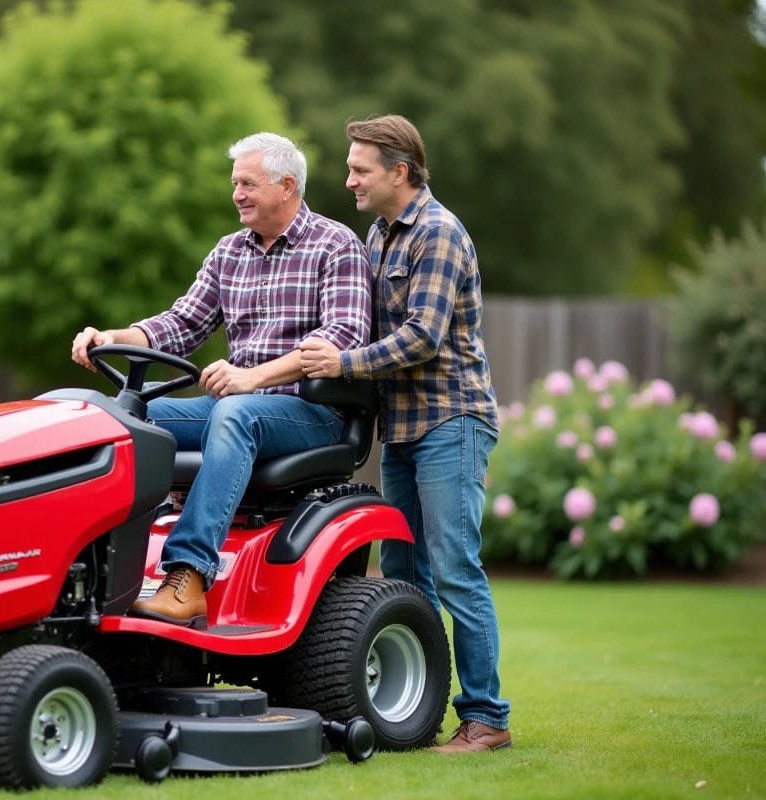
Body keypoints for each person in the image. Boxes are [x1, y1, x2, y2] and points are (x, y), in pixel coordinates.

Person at [71, 132, 371, 629]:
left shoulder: (336, 246)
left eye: (247, 183)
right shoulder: (230, 252)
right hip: (238, 404)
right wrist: (112, 337)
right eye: (235, 184)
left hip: (312, 413)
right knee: (118, 417)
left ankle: (187, 576)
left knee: (234, 412)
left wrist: (253, 378)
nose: (237, 194)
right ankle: (91, 564)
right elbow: (181, 324)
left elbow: (341, 337)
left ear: (287, 185)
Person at [299, 114, 511, 753]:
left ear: (400, 171)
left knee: (454, 569)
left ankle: (487, 719)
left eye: (359, 169)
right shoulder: (378, 235)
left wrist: (342, 363)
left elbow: (422, 337)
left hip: (452, 421)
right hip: (404, 429)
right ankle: (419, 709)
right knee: (401, 569)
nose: (349, 180)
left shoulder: (438, 233)